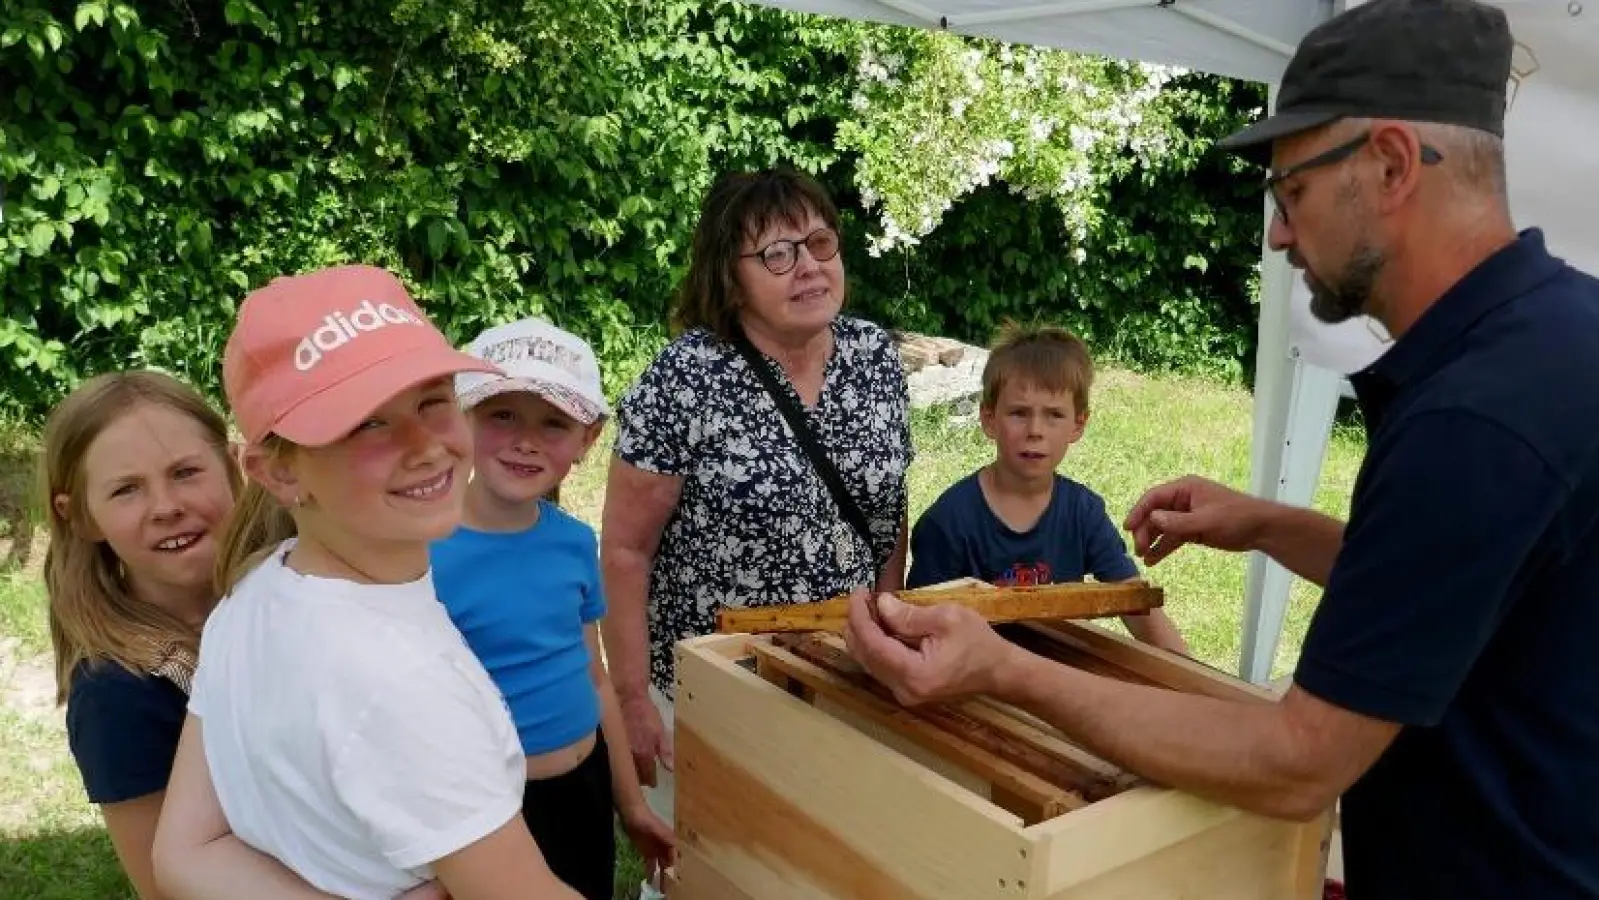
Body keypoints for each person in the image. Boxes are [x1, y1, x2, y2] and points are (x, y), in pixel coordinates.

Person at [842, 2, 1599, 899]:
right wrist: (1267, 524)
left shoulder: (1469, 422)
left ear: (1391, 164)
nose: (1278, 234)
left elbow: (1296, 761)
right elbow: (1455, 589)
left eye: (1293, 192)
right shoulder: (1563, 329)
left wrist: (1004, 668)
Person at [150, 264, 583, 900]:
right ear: (278, 471)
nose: (426, 446)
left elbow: (187, 851)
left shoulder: (258, 592)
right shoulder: (405, 683)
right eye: (366, 424)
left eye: (432, 401)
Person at [600, 168, 914, 824]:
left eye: (820, 244)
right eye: (776, 253)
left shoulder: (873, 357)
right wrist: (631, 700)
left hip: (842, 679)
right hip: (711, 692)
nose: (807, 267)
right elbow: (626, 551)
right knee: (707, 867)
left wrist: (886, 629)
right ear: (728, 275)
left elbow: (887, 511)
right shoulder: (685, 377)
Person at [430, 317, 676, 900]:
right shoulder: (421, 555)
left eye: (553, 423)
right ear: (461, 423)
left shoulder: (572, 541)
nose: (525, 439)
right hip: (487, 807)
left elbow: (593, 677)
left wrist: (633, 806)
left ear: (587, 440)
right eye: (501, 415)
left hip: (583, 789)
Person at [41, 371, 241, 900]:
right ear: (81, 516)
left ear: (234, 466)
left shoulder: (292, 590)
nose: (166, 505)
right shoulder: (117, 693)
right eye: (126, 489)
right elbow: (165, 887)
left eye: (186, 472)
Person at [905, 323, 1187, 654]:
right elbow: (919, 625)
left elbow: (1134, 602)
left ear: (1077, 425)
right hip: (972, 682)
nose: (1035, 430)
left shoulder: (1083, 513)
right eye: (1019, 413)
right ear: (989, 418)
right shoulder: (949, 520)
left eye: (1054, 414)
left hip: (1061, 678)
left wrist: (1199, 683)